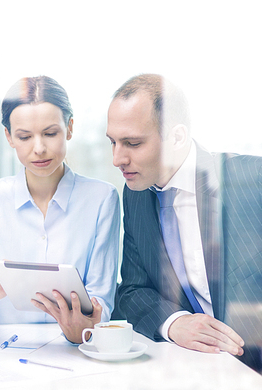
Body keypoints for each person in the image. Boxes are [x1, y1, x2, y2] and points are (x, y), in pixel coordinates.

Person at [106, 73, 262, 369]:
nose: (117, 159)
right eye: (113, 142)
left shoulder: (252, 180)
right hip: (196, 367)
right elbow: (133, 291)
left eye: (133, 143)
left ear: (176, 137)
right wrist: (175, 323)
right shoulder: (136, 194)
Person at [0, 76, 120, 343]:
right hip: (3, 350)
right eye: (24, 137)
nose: (39, 149)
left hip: (75, 349)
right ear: (9, 137)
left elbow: (101, 301)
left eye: (50, 133)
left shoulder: (102, 198)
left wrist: (85, 327)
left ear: (69, 128)